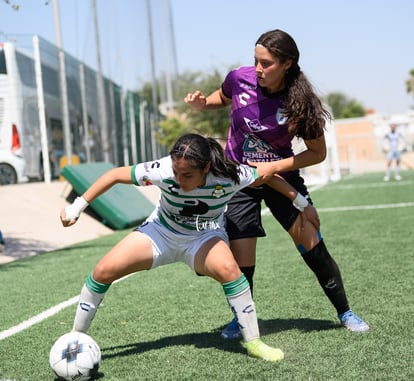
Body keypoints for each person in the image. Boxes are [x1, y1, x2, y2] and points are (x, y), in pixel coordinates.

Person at [60, 133, 319, 362]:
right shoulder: (162, 169)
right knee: (103, 271)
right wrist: (76, 208)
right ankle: (76, 338)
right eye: (176, 172)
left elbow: (268, 176)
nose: (179, 179)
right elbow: (114, 175)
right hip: (160, 233)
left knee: (231, 270)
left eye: (187, 175)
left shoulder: (230, 175)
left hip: (203, 237)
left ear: (206, 167)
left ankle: (253, 342)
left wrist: (301, 203)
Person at [184, 29, 369, 339]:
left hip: (282, 177)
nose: (258, 69)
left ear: (287, 64)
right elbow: (223, 97)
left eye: (266, 63)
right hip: (240, 179)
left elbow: (317, 153)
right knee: (242, 258)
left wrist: (274, 167)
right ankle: (241, 320)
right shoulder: (238, 79)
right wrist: (204, 104)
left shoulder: (302, 103)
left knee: (311, 243)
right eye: (256, 61)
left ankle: (344, 312)